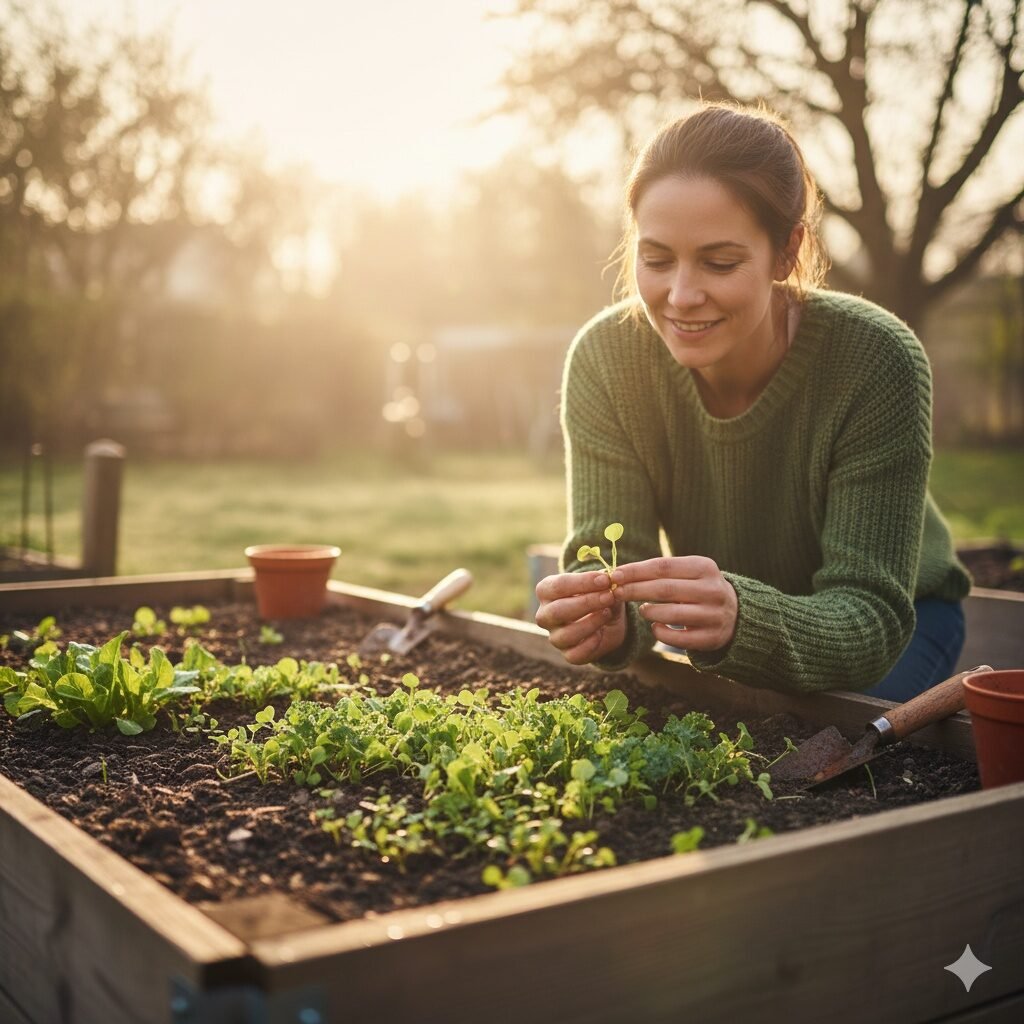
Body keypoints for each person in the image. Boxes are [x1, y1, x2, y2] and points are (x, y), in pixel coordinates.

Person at [534, 102, 971, 700]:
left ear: (787, 251)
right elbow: (612, 562)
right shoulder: (606, 360)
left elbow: (871, 615)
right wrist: (606, 620)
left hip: (899, 627)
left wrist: (744, 617)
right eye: (656, 258)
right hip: (726, 628)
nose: (681, 295)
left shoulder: (875, 359)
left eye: (719, 262)